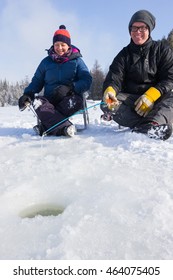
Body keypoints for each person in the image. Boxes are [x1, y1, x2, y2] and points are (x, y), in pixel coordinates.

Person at [101, 10, 173, 140]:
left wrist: (151, 95)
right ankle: (145, 126)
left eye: (142, 28)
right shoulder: (124, 54)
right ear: (129, 30)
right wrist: (110, 90)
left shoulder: (162, 50)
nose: (138, 32)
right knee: (107, 103)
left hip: (157, 99)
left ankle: (154, 123)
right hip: (132, 101)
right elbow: (114, 77)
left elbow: (169, 78)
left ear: (149, 29)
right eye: (134, 28)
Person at [18, 25, 92, 137]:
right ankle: (64, 128)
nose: (60, 48)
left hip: (70, 98)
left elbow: (87, 80)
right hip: (50, 100)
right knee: (38, 103)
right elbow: (37, 81)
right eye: (57, 45)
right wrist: (27, 94)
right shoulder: (46, 62)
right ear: (53, 45)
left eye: (63, 45)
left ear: (68, 45)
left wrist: (71, 87)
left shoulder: (77, 61)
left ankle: (46, 127)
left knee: (75, 101)